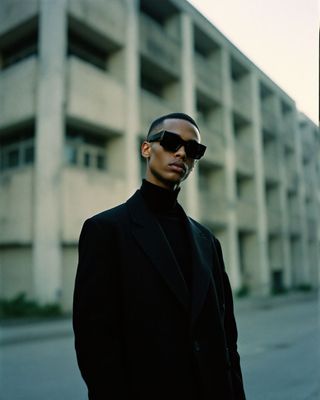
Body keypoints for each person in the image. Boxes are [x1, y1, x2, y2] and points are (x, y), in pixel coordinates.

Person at [73, 112, 246, 400]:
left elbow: (228, 337)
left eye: (193, 150)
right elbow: (95, 342)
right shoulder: (105, 230)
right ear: (146, 148)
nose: (181, 153)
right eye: (171, 142)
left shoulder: (207, 241)